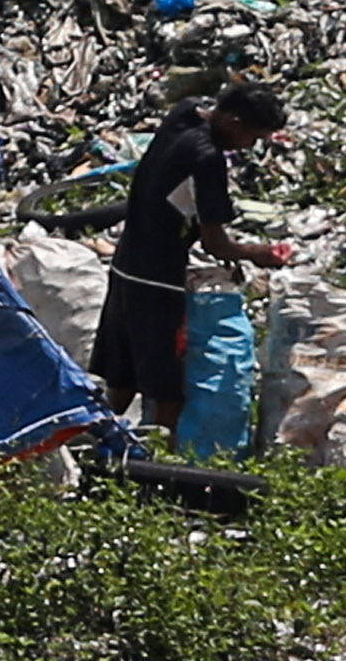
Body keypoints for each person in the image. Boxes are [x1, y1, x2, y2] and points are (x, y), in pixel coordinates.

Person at [90, 81, 294, 436]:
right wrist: (258, 253)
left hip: (125, 265)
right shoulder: (207, 158)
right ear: (233, 121)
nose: (251, 146)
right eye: (253, 136)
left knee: (123, 373)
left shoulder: (183, 114)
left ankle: (94, 439)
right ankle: (153, 469)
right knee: (167, 388)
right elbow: (216, 242)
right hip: (157, 278)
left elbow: (175, 197)